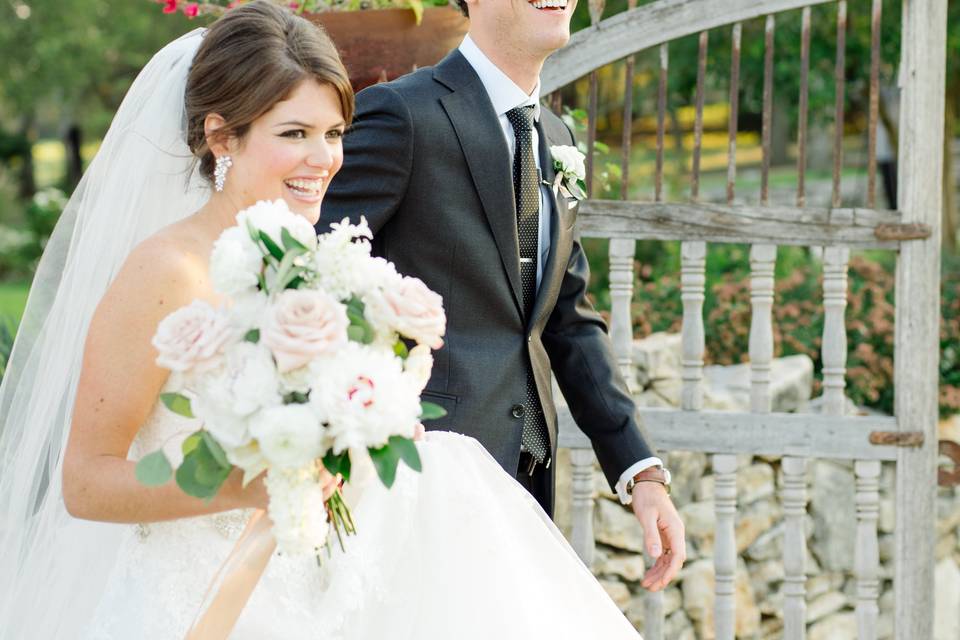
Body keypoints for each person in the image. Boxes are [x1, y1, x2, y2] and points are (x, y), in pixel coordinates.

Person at [0, 3, 642, 638]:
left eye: (333, 133)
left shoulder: (320, 267)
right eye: (293, 134)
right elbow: (85, 483)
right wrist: (251, 483)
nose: (324, 160)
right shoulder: (165, 271)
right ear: (222, 137)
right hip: (188, 597)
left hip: (312, 589)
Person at [320, 0, 685, 589]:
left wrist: (641, 471)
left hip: (526, 476)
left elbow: (566, 318)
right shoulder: (403, 115)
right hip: (421, 471)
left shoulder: (556, 135)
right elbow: (320, 272)